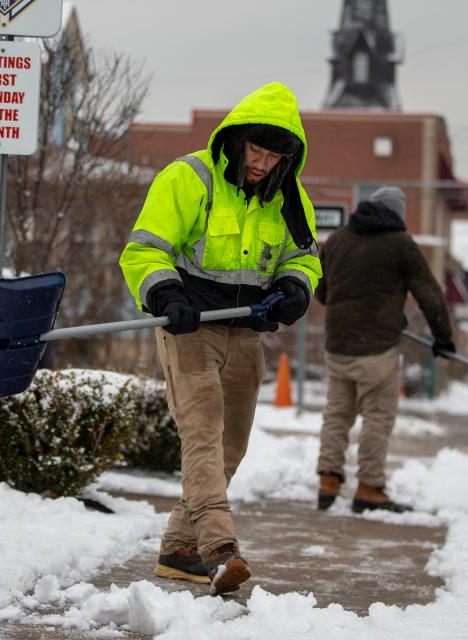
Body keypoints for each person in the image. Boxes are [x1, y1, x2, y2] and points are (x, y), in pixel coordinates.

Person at [118, 82, 321, 594]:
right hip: (189, 328)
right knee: (203, 433)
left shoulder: (289, 199)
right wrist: (166, 295)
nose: (263, 162)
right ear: (236, 141)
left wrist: (295, 287)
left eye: (275, 154)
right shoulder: (190, 179)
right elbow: (143, 251)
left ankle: (178, 548)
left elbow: (304, 257)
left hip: (246, 333)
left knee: (232, 444)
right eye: (256, 148)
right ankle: (219, 550)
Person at [314, 187, 454, 513]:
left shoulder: (337, 241)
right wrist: (442, 338)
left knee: (337, 414)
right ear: (397, 214)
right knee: (377, 418)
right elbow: (430, 294)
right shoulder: (401, 245)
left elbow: (323, 292)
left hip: (338, 345)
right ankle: (369, 486)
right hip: (377, 349)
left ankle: (328, 480)